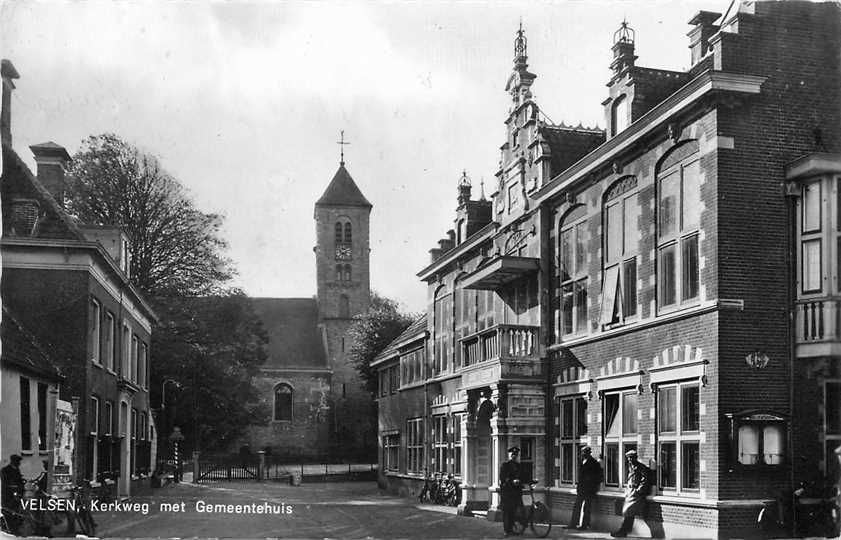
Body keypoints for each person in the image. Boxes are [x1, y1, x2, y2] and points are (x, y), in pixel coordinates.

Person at [611, 449, 651, 538]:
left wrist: (638, 491)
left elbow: (644, 481)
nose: (629, 460)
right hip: (630, 493)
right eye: (628, 458)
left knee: (628, 512)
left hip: (636, 495)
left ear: (635, 458)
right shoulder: (630, 467)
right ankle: (624, 530)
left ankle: (623, 531)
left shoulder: (641, 467)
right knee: (629, 513)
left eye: (631, 458)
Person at [567, 446, 603, 530]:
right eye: (582, 452)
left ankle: (584, 525)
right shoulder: (582, 461)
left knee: (587, 508)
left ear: (588, 453)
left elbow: (600, 477)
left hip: (589, 489)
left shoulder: (594, 463)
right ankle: (573, 524)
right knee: (577, 506)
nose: (583, 454)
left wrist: (593, 485)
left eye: (584, 452)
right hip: (581, 488)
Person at [499, 446, 523, 537]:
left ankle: (511, 529)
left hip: (516, 493)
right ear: (509, 455)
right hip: (507, 493)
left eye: (515, 454)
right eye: (512, 454)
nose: (514, 456)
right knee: (506, 512)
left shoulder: (518, 466)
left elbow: (522, 477)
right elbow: (502, 478)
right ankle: (506, 530)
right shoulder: (505, 465)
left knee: (513, 512)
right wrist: (511, 481)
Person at [1, 455, 25, 533]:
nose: (19, 463)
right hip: (8, 495)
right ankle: (8, 527)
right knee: (8, 510)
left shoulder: (16, 470)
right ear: (13, 461)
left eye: (19, 462)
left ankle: (14, 526)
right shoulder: (5, 470)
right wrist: (14, 487)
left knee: (16, 510)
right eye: (17, 462)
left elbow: (19, 481)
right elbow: (4, 483)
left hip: (16, 494)